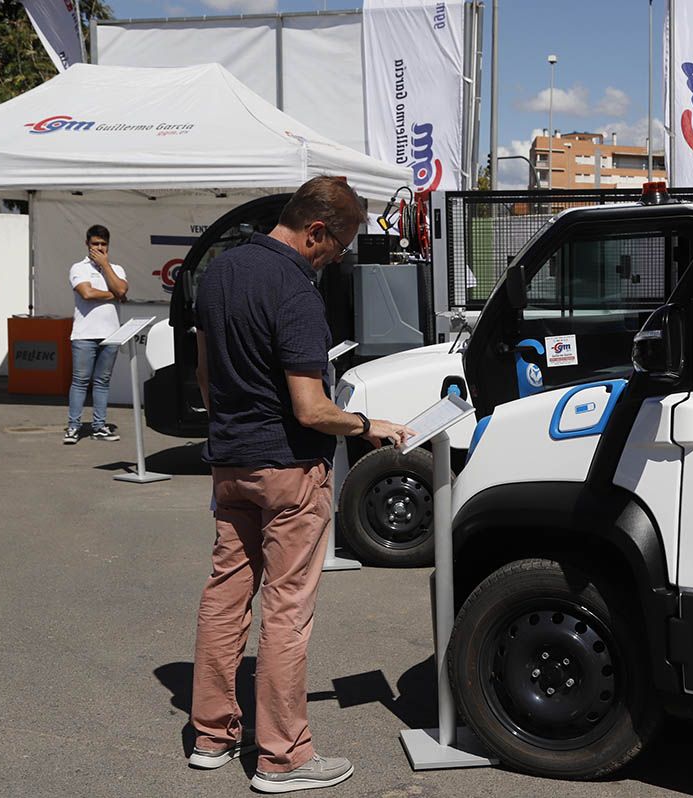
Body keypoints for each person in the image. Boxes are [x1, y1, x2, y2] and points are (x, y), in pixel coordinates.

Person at [190, 176, 411, 793]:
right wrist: (368, 424)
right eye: (339, 244)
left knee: (225, 596)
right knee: (287, 613)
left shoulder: (220, 272)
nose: (339, 256)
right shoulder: (296, 290)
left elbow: (207, 379)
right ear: (316, 231)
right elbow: (312, 410)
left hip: (230, 460)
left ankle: (211, 735)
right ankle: (282, 757)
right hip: (288, 468)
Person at [64, 224, 128, 444]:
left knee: (102, 382)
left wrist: (105, 265)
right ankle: (73, 427)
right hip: (84, 334)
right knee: (80, 381)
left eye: (103, 244)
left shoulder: (116, 269)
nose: (99, 248)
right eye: (95, 244)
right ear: (87, 244)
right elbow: (87, 293)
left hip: (111, 334)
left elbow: (121, 290)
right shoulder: (78, 268)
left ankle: (99, 426)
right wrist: (113, 294)